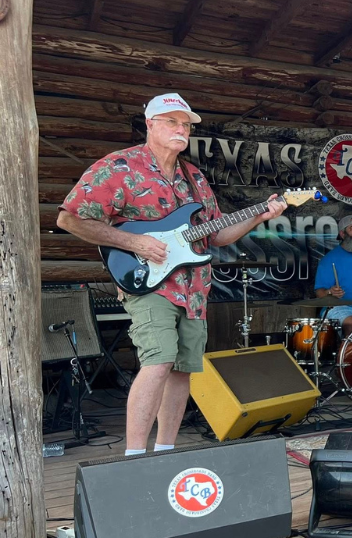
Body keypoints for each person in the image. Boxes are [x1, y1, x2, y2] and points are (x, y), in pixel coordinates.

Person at [57, 93, 287, 456]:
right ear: (150, 124)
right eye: (172, 121)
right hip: (149, 284)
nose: (181, 129)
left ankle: (165, 452)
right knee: (159, 359)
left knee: (182, 369)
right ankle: (134, 457)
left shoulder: (193, 177)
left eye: (186, 124)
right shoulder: (119, 166)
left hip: (195, 290)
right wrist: (135, 242)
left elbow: (216, 234)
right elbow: (69, 219)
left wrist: (259, 215)